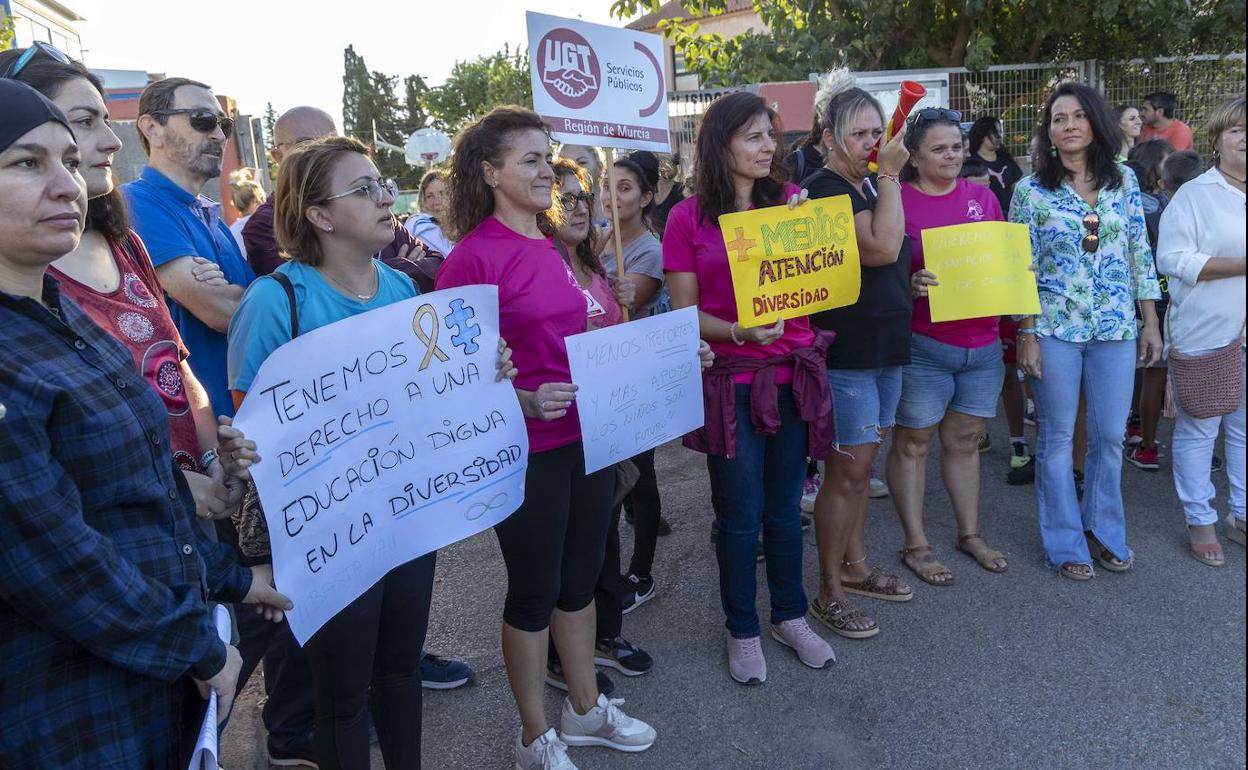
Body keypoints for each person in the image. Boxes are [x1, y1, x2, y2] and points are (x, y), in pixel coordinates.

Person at [0, 75, 290, 770]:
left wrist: (230, 578)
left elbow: (144, 489)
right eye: (26, 163)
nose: (68, 183)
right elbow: (56, 557)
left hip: (150, 680)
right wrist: (195, 644)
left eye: (68, 161)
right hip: (74, 710)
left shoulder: (61, 317)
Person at [227, 136, 511, 769]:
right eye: (363, 189)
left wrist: (484, 372)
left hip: (405, 517)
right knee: (342, 696)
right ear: (320, 215)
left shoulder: (405, 293)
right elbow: (253, 430)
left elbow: (436, 399)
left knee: (402, 670)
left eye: (382, 183)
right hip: (330, 534)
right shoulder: (276, 300)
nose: (386, 197)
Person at [437, 106, 656, 770]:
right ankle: (534, 735)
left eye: (546, 155)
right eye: (529, 159)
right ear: (488, 171)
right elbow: (449, 376)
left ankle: (584, 710)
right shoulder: (472, 258)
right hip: (523, 451)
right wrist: (525, 399)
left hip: (589, 438)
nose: (545, 169)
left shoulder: (556, 242)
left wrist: (659, 359)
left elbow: (583, 340)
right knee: (534, 590)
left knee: (581, 579)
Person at [0, 48, 234, 510]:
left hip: (192, 519)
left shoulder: (125, 245)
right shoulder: (24, 275)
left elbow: (176, 368)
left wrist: (212, 460)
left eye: (105, 120)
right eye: (85, 121)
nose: (112, 141)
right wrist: (174, 487)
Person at [665, 91, 836, 681]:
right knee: (739, 515)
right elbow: (683, 314)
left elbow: (822, 288)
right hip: (732, 385)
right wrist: (740, 329)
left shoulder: (794, 203)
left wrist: (817, 235)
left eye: (772, 135)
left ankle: (790, 616)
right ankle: (742, 628)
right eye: (755, 136)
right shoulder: (688, 218)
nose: (770, 147)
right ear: (721, 144)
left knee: (786, 511)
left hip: (793, 379)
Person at [1010, 82, 1162, 580]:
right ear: (1048, 132)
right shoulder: (1029, 191)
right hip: (1053, 328)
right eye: (1058, 118)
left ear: (1095, 122)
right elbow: (1021, 268)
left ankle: (1104, 532)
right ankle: (1066, 543)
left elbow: (1140, 252)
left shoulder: (1125, 182)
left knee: (1109, 435)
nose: (1069, 124)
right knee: (1056, 438)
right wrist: (1026, 333)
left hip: (1116, 325)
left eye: (1077, 115)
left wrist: (1151, 320)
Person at [804, 80, 915, 640]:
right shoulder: (825, 188)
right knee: (845, 475)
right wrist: (892, 175)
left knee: (860, 470)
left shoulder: (866, 184)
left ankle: (856, 566)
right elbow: (880, 247)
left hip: (884, 346)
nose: (874, 141)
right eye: (861, 133)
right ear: (829, 138)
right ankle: (829, 590)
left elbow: (887, 260)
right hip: (849, 354)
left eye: (879, 131)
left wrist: (907, 283)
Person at [544, 158, 655, 696]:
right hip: (560, 435)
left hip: (607, 427)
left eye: (583, 196)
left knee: (604, 540)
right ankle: (559, 657)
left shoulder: (597, 269)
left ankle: (604, 635)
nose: (579, 207)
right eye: (563, 197)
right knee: (566, 553)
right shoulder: (543, 269)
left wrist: (622, 305)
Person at [887, 109, 1009, 589]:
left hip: (981, 348)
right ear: (913, 156)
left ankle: (969, 534)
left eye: (957, 145)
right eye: (939, 148)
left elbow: (1002, 262)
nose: (953, 155)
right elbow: (876, 265)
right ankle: (916, 545)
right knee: (913, 443)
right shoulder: (897, 199)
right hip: (924, 345)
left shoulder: (982, 196)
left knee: (963, 443)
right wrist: (907, 282)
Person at [120, 77, 256, 419]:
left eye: (224, 124)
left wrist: (252, 295)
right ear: (153, 128)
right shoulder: (136, 203)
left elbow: (249, 304)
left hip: (250, 420)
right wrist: (246, 296)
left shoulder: (208, 212)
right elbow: (223, 311)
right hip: (208, 433)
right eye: (202, 120)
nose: (219, 135)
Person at [1156, 95, 1246, 566]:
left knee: (1245, 429)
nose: (1245, 138)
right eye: (1237, 130)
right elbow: (1171, 260)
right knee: (1200, 428)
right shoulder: (1196, 194)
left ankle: (1243, 515)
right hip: (1209, 330)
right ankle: (1200, 518)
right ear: (1217, 140)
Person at [243, 106, 444, 293]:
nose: (324, 152)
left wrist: (381, 274)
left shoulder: (376, 206)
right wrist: (393, 271)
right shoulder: (263, 227)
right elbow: (308, 294)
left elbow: (437, 267)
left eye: (332, 141)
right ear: (277, 155)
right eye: (307, 144)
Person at [598, 150, 674, 601]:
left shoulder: (649, 251)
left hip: (635, 376)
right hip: (603, 375)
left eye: (624, 188)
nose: (612, 196)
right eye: (608, 185)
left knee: (639, 474)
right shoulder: (598, 236)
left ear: (646, 197)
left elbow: (625, 308)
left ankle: (640, 573)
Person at [1123, 139, 1174, 472]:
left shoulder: (1150, 203)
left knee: (1141, 365)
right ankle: (1146, 440)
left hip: (1136, 297)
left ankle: (1137, 426)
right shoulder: (1165, 205)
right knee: (1155, 368)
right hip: (1161, 295)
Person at [968, 116, 1023, 216]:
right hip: (984, 216)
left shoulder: (1006, 161)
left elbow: (1018, 189)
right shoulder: (972, 163)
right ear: (982, 135)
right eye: (995, 133)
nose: (999, 136)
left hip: (1009, 215)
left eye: (1000, 132)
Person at [403, 169, 454, 256]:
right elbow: (452, 257)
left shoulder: (457, 226)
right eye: (430, 196)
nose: (437, 202)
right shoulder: (418, 224)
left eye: (442, 194)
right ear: (423, 202)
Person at [558, 143, 610, 227]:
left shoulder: (617, 205)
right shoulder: (554, 209)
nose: (574, 169)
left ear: (600, 167)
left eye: (582, 162)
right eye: (566, 164)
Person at [228, 166, 266, 259]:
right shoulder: (261, 223)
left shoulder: (231, 229)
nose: (263, 203)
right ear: (255, 201)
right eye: (261, 199)